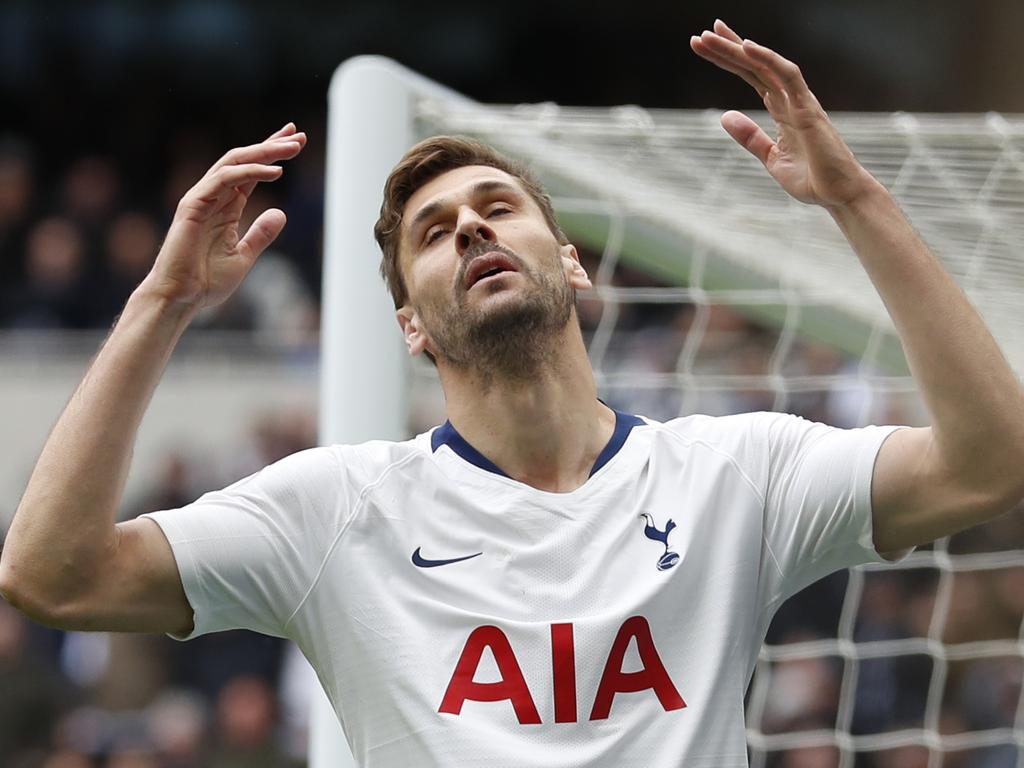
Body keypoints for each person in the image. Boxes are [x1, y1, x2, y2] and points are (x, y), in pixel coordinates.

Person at [2, 20, 1023, 767]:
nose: (471, 231)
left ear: (571, 264)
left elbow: (990, 460)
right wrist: (161, 303)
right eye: (433, 233)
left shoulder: (738, 473)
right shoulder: (332, 510)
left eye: (497, 208)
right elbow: (53, 575)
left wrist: (854, 198)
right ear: (409, 324)